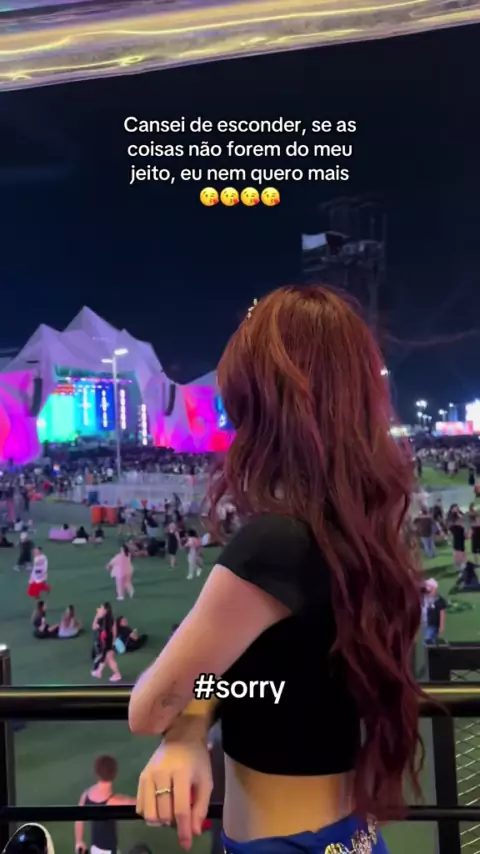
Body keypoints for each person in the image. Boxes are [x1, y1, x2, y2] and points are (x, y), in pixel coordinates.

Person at [129, 286, 425, 853]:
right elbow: (274, 682)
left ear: (263, 406)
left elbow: (148, 708)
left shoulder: (274, 546)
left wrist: (183, 721)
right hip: (348, 837)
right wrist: (193, 724)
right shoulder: (355, 535)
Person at [75, 755, 136, 854]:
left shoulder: (87, 794)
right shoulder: (113, 801)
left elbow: (78, 818)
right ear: (115, 774)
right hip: (109, 851)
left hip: (95, 849)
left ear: (96, 773)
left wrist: (79, 841)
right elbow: (135, 803)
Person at [91, 602, 122, 682]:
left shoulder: (102, 620)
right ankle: (99, 672)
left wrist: (96, 616)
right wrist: (113, 641)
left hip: (106, 642)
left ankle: (117, 674)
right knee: (107, 658)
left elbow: (94, 627)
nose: (100, 609)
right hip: (108, 641)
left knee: (109, 658)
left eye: (101, 608)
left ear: (105, 610)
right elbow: (114, 631)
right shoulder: (111, 619)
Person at [422, 579, 447, 643]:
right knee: (432, 641)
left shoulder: (439, 600)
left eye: (429, 586)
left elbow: (442, 612)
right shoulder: (425, 598)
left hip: (433, 624)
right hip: (425, 624)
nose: (427, 587)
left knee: (427, 640)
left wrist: (442, 625)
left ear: (434, 587)